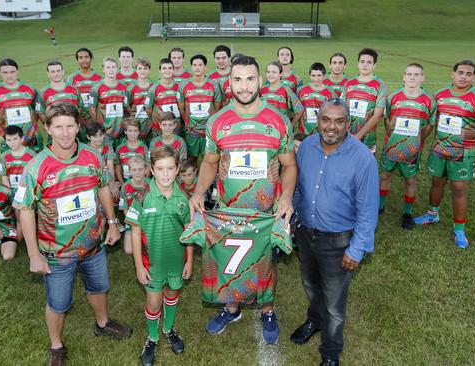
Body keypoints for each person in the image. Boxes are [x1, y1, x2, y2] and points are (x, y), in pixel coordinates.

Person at [189, 55, 297, 344]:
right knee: (230, 262)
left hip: (267, 214)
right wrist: (199, 191)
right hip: (228, 214)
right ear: (230, 82)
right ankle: (232, 307)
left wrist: (286, 197)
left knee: (267, 264)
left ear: (260, 81)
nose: (244, 86)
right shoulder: (218, 122)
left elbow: (290, 165)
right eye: (238, 79)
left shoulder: (277, 121)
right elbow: (210, 162)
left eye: (250, 79)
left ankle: (268, 309)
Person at [14, 103, 132, 366]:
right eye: (58, 127)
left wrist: (113, 223)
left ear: (78, 127)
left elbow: (103, 188)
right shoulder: (35, 168)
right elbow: (25, 212)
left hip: (92, 244)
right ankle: (56, 346)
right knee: (58, 302)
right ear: (47, 129)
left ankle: (102, 323)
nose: (65, 133)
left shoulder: (92, 156)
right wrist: (33, 255)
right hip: (57, 253)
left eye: (70, 126)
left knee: (100, 287)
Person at [291, 98, 378, 366]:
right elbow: (297, 189)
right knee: (311, 285)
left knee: (334, 304)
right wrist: (292, 221)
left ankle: (330, 353)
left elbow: (368, 209)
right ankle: (314, 321)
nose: (332, 127)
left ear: (348, 123)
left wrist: (357, 249)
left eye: (339, 121)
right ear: (318, 120)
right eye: (326, 120)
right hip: (306, 233)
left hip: (339, 241)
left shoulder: (362, 158)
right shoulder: (306, 147)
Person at [413, 60, 475, 248]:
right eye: (460, 72)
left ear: (473, 77)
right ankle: (432, 214)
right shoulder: (440, 95)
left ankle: (459, 229)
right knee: (436, 182)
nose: (464, 76)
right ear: (453, 74)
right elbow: (431, 120)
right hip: (439, 149)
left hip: (463, 154)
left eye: (468, 74)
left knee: (459, 189)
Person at [126, 145, 193, 366]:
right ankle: (153, 336)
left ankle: (168, 328)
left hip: (176, 260)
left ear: (177, 170)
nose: (165, 174)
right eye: (160, 169)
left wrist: (190, 260)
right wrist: (138, 265)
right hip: (152, 263)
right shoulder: (142, 197)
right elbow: (135, 231)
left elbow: (188, 230)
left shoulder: (183, 198)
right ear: (151, 170)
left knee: (172, 294)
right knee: (154, 303)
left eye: (170, 168)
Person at [379, 63, 436, 229]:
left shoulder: (428, 100)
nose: (412, 77)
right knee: (385, 175)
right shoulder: (393, 97)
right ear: (403, 76)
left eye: (416, 74)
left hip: (412, 150)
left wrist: (418, 140)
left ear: (422, 78)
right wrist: (391, 130)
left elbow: (430, 125)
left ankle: (407, 213)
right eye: (409, 74)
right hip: (392, 146)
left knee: (410, 180)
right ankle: (380, 206)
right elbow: (387, 121)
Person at [0, 58, 40, 153]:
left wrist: (32, 124)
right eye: (5, 72)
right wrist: (0, 127)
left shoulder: (30, 88)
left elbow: (38, 109)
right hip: (9, 138)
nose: (9, 75)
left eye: (12, 72)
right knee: (12, 165)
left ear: (17, 71)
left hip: (31, 136)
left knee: (36, 164)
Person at [177, 54, 222, 160]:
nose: (197, 67)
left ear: (205, 67)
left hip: (207, 130)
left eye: (200, 65)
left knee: (210, 158)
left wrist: (210, 125)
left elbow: (217, 106)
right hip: (191, 130)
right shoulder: (183, 85)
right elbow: (181, 108)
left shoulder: (213, 85)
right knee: (191, 159)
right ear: (191, 67)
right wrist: (187, 122)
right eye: (194, 65)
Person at [0, 125, 37, 243]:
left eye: (15, 139)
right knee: (19, 216)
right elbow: (4, 177)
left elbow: (35, 176)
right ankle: (21, 232)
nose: (12, 143)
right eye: (8, 140)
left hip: (28, 190)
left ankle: (33, 235)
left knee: (31, 214)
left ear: (22, 138)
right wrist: (9, 192)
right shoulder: (4, 156)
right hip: (14, 191)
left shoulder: (31, 154)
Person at [344, 48, 388, 153]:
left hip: (368, 138)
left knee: (365, 167)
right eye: (362, 61)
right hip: (346, 135)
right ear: (358, 63)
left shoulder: (380, 86)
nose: (365, 65)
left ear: (374, 65)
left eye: (369, 62)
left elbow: (377, 116)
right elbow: (342, 110)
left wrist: (359, 135)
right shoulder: (349, 83)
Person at [89, 57, 131, 142]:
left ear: (117, 69)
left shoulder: (124, 87)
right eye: (108, 67)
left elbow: (127, 107)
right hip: (104, 132)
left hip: (120, 131)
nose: (111, 70)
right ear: (103, 70)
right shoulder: (96, 88)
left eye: (113, 67)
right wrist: (98, 127)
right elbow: (92, 109)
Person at [119, 156, 150, 255]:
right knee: (129, 250)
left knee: (153, 248)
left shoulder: (151, 184)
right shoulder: (125, 187)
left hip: (149, 218)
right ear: (129, 171)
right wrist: (135, 222)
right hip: (133, 219)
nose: (137, 172)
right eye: (134, 170)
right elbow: (125, 209)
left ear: (145, 169)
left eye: (140, 169)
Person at [296, 62, 335, 136]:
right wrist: (303, 128)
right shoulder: (301, 90)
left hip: (323, 131)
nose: (316, 79)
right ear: (309, 75)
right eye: (313, 75)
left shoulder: (330, 92)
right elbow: (299, 111)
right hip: (304, 130)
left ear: (324, 76)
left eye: (319, 75)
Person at [37, 60, 82, 125]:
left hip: (72, 127)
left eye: (58, 71)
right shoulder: (42, 93)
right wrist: (50, 126)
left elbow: (80, 107)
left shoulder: (74, 89)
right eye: (52, 71)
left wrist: (75, 121)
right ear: (48, 74)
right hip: (55, 131)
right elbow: (41, 113)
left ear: (63, 72)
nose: (56, 74)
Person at [145, 58, 182, 137]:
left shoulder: (179, 87)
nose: (167, 71)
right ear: (160, 71)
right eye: (164, 68)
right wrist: (157, 118)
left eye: (170, 68)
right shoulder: (153, 89)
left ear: (173, 70)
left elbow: (182, 106)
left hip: (175, 127)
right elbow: (148, 109)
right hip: (159, 128)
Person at [66, 48, 102, 126]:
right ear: (77, 60)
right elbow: (69, 100)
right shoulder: (71, 78)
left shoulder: (100, 77)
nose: (84, 60)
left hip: (96, 116)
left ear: (91, 58)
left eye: (86, 57)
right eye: (81, 58)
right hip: (79, 117)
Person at [261, 61, 303, 125]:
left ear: (280, 74)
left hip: (281, 128)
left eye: (274, 72)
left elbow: (299, 110)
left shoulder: (286, 90)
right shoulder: (261, 90)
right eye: (268, 72)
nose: (270, 74)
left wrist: (290, 126)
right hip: (264, 128)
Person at [114, 118, 149, 182]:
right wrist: (123, 185)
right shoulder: (119, 148)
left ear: (139, 132)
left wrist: (143, 183)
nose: (133, 134)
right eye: (130, 131)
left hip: (141, 183)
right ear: (125, 131)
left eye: (135, 131)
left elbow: (148, 168)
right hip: (125, 183)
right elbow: (117, 168)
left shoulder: (144, 148)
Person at [128, 57, 154, 141]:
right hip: (136, 125)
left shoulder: (154, 86)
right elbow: (126, 106)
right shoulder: (130, 87)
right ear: (136, 70)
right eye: (140, 68)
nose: (142, 71)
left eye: (145, 68)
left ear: (149, 70)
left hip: (151, 124)